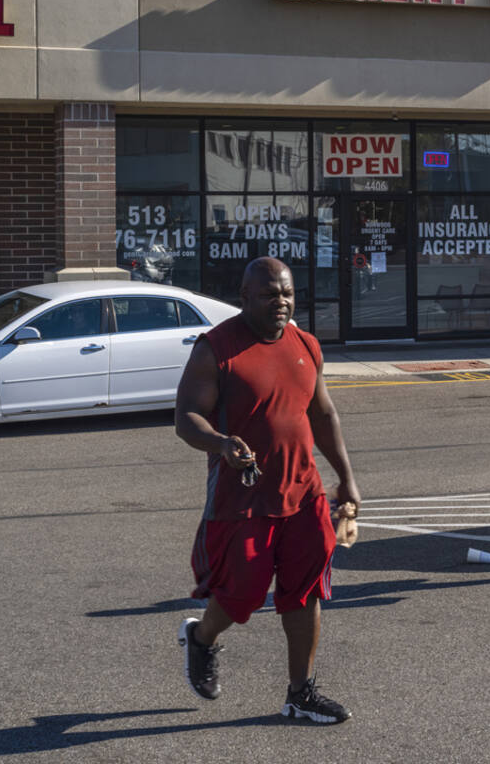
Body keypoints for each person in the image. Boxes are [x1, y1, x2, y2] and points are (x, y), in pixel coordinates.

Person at [174, 256, 363, 724]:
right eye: (269, 294)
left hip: (305, 495)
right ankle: (201, 638)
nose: (280, 302)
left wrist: (347, 478)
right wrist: (219, 443)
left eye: (287, 293)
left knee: (305, 594)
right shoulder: (216, 348)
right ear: (244, 297)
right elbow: (186, 419)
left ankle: (300, 693)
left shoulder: (306, 344)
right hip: (242, 501)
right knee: (241, 598)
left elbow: (323, 415)